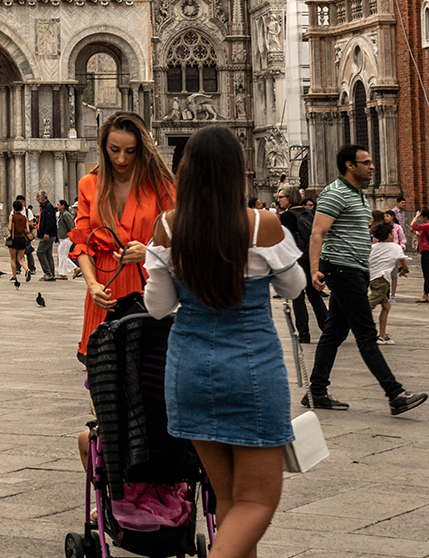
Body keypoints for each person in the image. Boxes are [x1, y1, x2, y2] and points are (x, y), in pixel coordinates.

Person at [144, 125, 304, 558]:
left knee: (231, 502)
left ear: (187, 172)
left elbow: (157, 307)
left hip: (189, 369)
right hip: (251, 368)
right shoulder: (261, 225)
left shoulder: (167, 227)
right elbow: (293, 287)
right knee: (257, 502)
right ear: (237, 171)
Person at [304, 145, 426, 414]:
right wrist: (315, 270)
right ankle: (395, 394)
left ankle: (316, 391)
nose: (372, 166)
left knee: (334, 332)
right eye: (366, 162)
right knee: (366, 333)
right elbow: (317, 233)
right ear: (349, 165)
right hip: (341, 269)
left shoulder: (358, 195)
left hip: (355, 270)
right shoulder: (334, 193)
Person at [69, 111, 176, 358]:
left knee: (143, 372)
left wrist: (148, 251)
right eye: (114, 149)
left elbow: (180, 238)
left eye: (131, 151)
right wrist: (92, 284)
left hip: (147, 283)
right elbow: (83, 242)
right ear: (103, 147)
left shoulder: (160, 184)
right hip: (103, 287)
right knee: (101, 375)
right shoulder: (89, 184)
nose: (121, 158)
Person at [274, 187, 327, 344]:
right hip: (311, 258)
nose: (279, 200)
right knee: (314, 296)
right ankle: (328, 329)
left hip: (296, 260)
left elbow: (285, 241)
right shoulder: (309, 213)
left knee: (298, 298)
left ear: (290, 198)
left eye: (281, 197)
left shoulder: (287, 216)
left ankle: (304, 334)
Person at [369, 221, 408, 343]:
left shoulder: (373, 247)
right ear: (389, 235)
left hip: (373, 278)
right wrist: (403, 272)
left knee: (386, 306)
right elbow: (404, 266)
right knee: (366, 306)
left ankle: (382, 334)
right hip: (383, 280)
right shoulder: (395, 247)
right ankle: (348, 319)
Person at [6, 195, 33, 285]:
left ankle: (14, 276)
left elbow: (10, 228)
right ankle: (27, 269)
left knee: (13, 259)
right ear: (22, 209)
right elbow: (28, 230)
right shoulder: (24, 217)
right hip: (22, 239)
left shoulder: (12, 216)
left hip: (14, 239)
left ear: (14, 208)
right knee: (20, 259)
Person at [35, 190, 59, 280]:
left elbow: (50, 222)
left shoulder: (48, 207)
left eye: (38, 197)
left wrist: (46, 233)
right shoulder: (44, 207)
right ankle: (51, 274)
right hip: (47, 234)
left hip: (48, 234)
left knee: (40, 252)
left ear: (43, 197)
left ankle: (48, 273)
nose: (36, 199)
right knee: (48, 254)